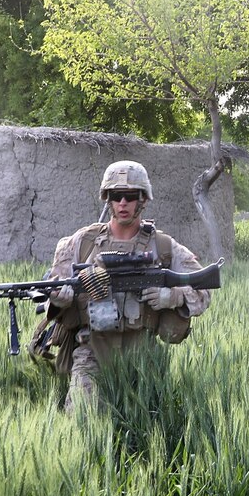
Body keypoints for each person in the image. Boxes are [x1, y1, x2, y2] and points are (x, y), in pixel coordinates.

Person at [46, 160, 212, 410]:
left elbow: (204, 289)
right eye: (115, 195)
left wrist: (173, 297)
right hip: (92, 352)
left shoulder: (163, 246)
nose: (122, 203)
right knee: (83, 424)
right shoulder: (82, 243)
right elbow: (53, 287)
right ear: (107, 199)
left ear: (143, 199)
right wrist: (58, 299)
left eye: (130, 196)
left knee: (145, 431)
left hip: (143, 356)